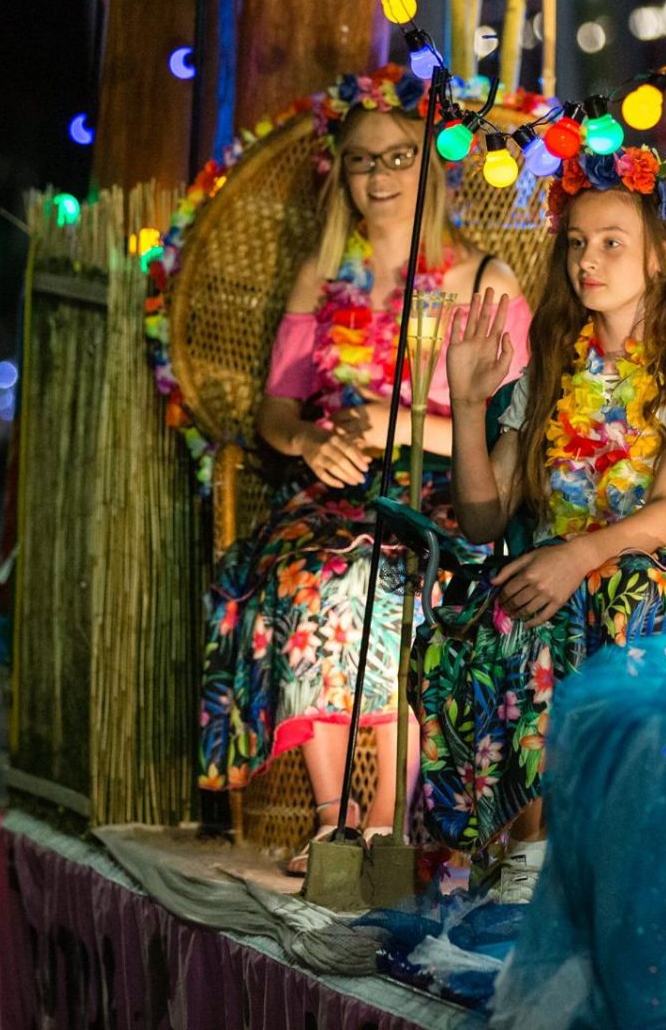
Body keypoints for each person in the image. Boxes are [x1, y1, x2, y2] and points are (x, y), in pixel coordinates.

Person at [197, 67, 530, 870]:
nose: (380, 176)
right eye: (362, 160)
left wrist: (399, 423)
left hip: (447, 501)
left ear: (433, 166)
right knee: (310, 573)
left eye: (400, 156)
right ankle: (332, 819)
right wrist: (311, 442)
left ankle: (383, 825)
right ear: (340, 175)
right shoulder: (323, 276)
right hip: (332, 495)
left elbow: (518, 432)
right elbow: (275, 412)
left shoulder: (481, 282)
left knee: (376, 581)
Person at [414, 142, 666, 902]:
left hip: (659, 575)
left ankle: (614, 845)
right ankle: (523, 849)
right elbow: (482, 516)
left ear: (664, 256)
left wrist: (576, 557)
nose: (586, 262)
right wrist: (470, 405)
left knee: (612, 592)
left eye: (610, 244)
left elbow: (665, 513)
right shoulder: (549, 373)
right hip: (564, 567)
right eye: (576, 244)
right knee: (498, 612)